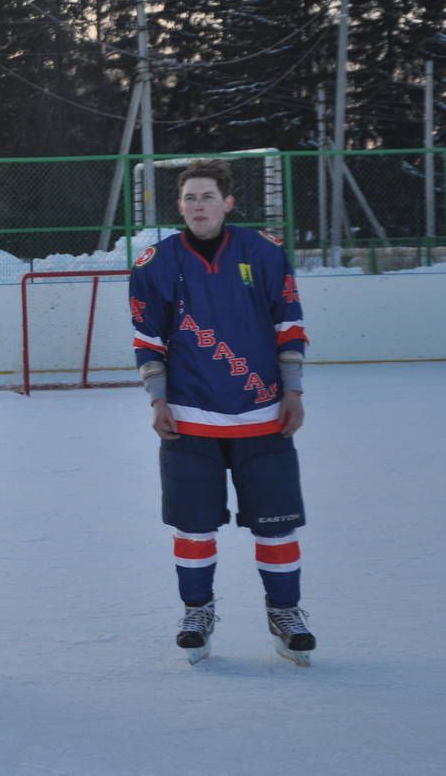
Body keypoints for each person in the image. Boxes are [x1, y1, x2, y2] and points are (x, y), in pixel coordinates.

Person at [129, 158, 315, 666]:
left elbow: (289, 325)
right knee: (193, 527)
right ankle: (197, 611)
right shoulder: (155, 263)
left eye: (208, 196)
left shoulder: (264, 253)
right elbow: (148, 339)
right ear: (179, 205)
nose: (198, 206)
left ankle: (285, 612)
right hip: (189, 418)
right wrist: (157, 397)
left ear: (228, 202)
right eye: (190, 197)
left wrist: (293, 390)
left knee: (276, 526)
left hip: (263, 417)